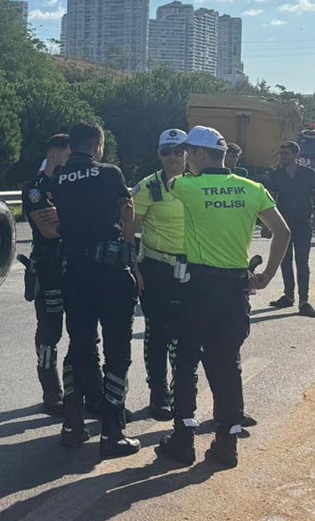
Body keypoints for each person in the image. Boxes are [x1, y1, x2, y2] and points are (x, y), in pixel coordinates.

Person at [156, 126, 290, 468]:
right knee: (227, 364)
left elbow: (170, 183)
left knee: (185, 361)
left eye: (188, 153)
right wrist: (266, 276)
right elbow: (283, 232)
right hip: (235, 289)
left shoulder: (187, 186)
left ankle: (183, 439)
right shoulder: (252, 189)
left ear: (199, 155)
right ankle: (227, 444)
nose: (184, 158)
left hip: (198, 288)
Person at [48, 121, 140, 458]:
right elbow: (127, 212)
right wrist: (132, 255)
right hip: (111, 273)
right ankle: (112, 432)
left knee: (80, 346)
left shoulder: (58, 179)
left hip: (74, 274)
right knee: (117, 350)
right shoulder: (110, 173)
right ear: (98, 146)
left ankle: (72, 425)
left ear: (72, 147)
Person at [20, 134, 104, 417]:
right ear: (55, 155)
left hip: (79, 268)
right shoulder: (35, 189)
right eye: (70, 155)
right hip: (49, 269)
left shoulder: (72, 184)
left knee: (87, 334)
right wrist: (81, 221)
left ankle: (93, 393)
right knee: (49, 332)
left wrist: (67, 217)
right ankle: (51, 390)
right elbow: (50, 230)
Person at [125, 129, 188, 422]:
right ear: (159, 155)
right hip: (157, 268)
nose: (173, 158)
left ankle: (182, 394)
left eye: (178, 151)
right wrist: (133, 266)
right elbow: (129, 227)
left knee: (187, 334)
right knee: (157, 333)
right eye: (167, 152)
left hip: (192, 269)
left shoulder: (198, 184)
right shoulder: (148, 187)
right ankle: (158, 394)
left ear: (187, 153)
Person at [264, 142, 315, 317]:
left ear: (296, 155)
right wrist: (268, 225)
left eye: (287, 153)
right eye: (282, 153)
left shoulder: (308, 173)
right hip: (283, 225)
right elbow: (269, 200)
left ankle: (304, 301)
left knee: (302, 262)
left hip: (303, 224)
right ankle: (288, 296)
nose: (283, 156)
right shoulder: (277, 176)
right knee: (284, 261)